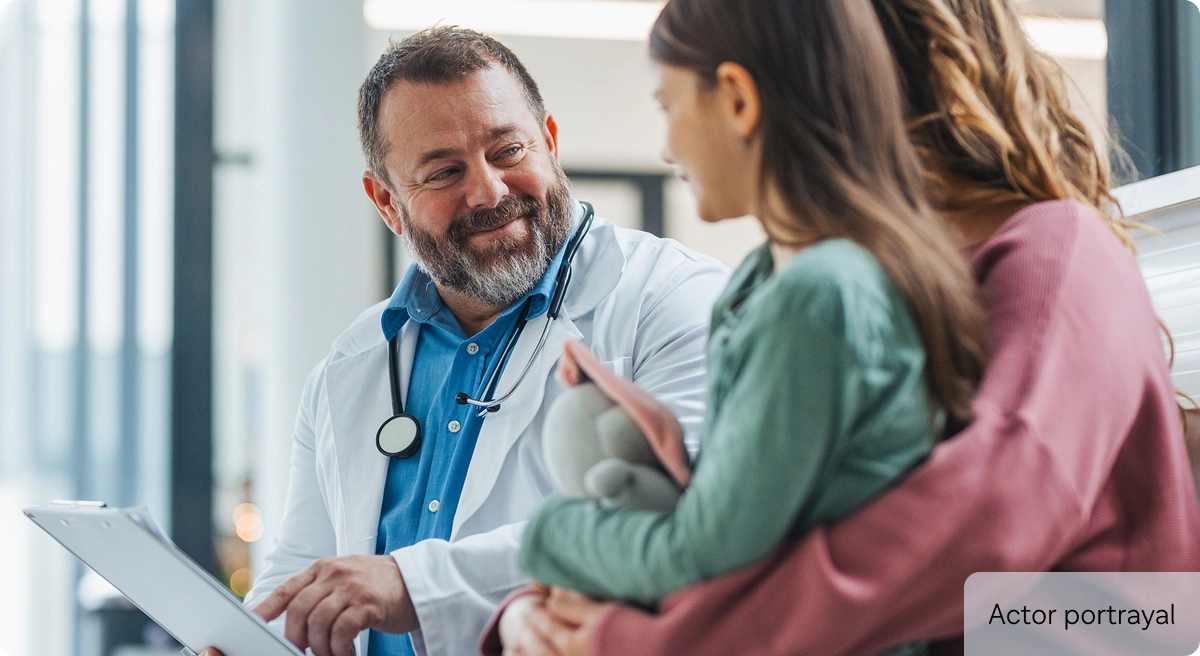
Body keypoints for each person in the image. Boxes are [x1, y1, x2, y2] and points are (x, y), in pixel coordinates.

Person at [486, 0, 1200, 654]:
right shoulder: (825, 281)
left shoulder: (1055, 256)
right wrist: (533, 608)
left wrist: (653, 639)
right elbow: (761, 517)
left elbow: (983, 529)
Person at [199, 26, 727, 656]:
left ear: (550, 144)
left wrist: (413, 585)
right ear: (388, 203)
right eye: (444, 172)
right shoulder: (355, 362)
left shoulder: (674, 300)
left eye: (507, 151)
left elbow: (680, 520)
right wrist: (241, 640)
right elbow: (304, 568)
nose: (489, 191)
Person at [511, 0, 987, 633]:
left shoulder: (818, 296)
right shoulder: (764, 281)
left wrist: (547, 533)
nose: (666, 145)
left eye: (668, 107)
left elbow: (702, 555)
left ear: (737, 100)